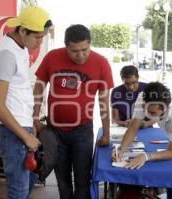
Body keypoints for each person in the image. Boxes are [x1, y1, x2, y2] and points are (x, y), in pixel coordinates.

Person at [32, 24, 114, 199]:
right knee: (62, 178)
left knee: (83, 178)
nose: (80, 55)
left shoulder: (101, 63)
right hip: (55, 130)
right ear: (65, 46)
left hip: (82, 131)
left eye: (85, 49)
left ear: (90, 44)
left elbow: (104, 102)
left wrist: (107, 133)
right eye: (74, 51)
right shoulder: (52, 57)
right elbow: (39, 87)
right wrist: (35, 116)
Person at [0, 6, 52, 199]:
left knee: (29, 179)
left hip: (19, 127)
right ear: (23, 30)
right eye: (38, 37)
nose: (40, 42)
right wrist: (25, 136)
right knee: (18, 190)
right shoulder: (7, 55)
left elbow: (19, 91)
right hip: (10, 132)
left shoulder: (20, 47)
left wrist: (31, 122)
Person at [112, 82, 172, 198]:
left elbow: (171, 152)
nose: (146, 115)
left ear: (166, 108)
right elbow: (133, 128)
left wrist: (145, 156)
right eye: (145, 109)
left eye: (152, 113)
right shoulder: (143, 98)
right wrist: (121, 149)